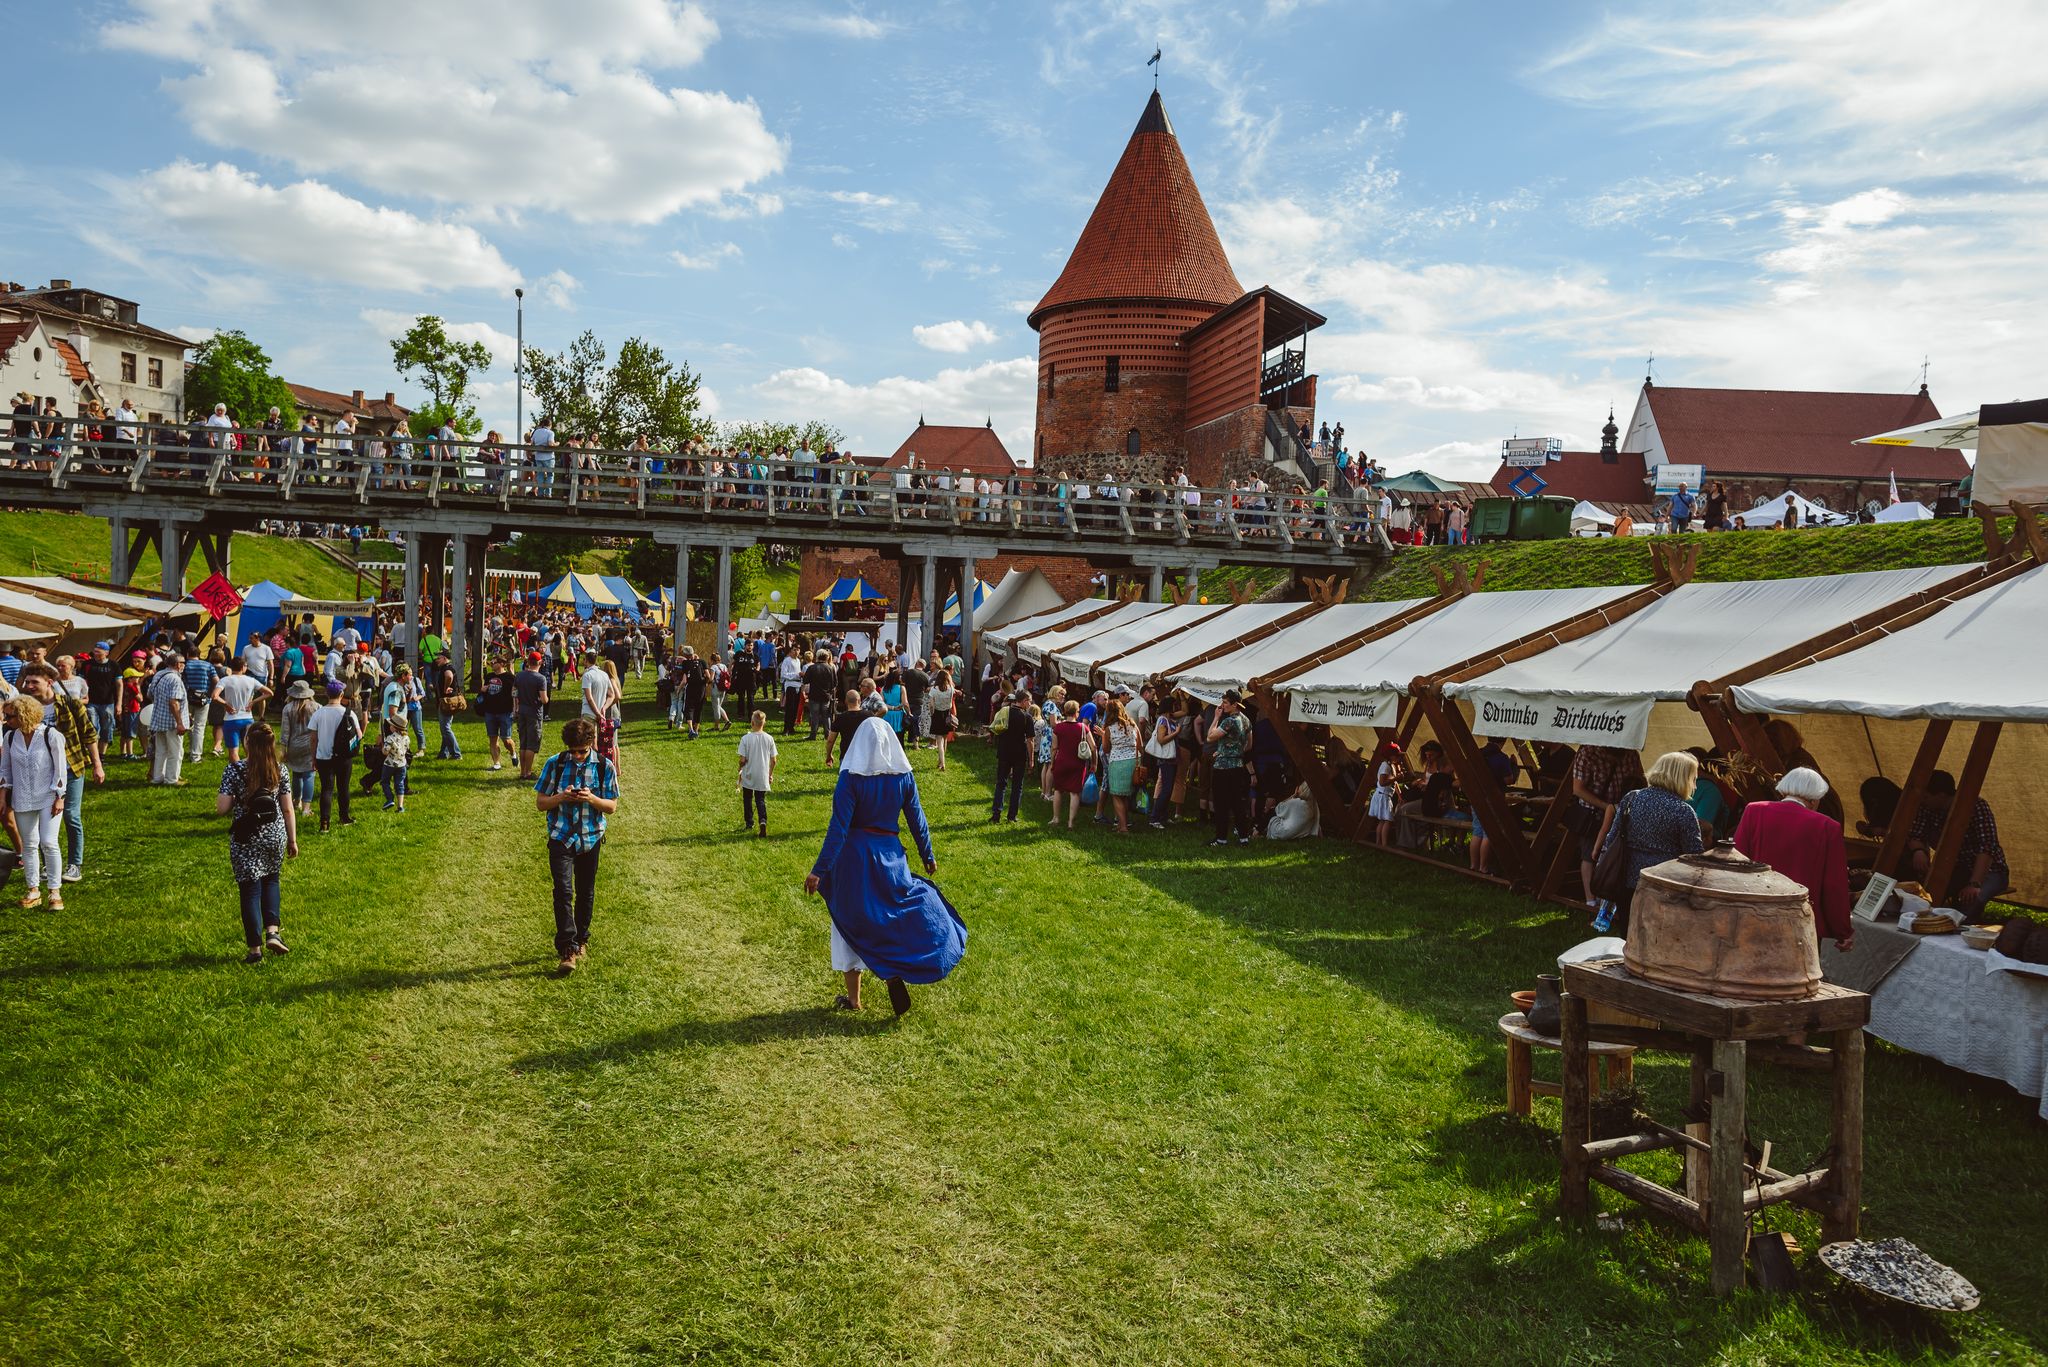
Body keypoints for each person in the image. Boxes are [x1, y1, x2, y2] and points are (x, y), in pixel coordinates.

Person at [804, 716, 966, 1017]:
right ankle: (893, 965)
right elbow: (917, 819)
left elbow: (838, 829)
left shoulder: (851, 779)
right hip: (890, 858)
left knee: (849, 922)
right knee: (890, 915)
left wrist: (819, 869)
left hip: (854, 860)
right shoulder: (903, 777)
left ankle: (854, 998)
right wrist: (927, 855)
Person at [1733, 767, 1855, 950]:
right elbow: (1834, 885)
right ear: (1814, 800)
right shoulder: (1828, 827)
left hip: (1753, 912)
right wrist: (1843, 931)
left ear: (1784, 789)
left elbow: (1736, 862)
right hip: (1800, 920)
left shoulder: (1754, 811)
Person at [534, 717, 620, 974]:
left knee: (585, 891)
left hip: (590, 837)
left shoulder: (604, 766)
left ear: (591, 744)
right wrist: (561, 797)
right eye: (573, 752)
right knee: (562, 890)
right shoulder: (556, 764)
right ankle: (567, 948)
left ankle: (582, 938)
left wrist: (591, 798)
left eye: (582, 751)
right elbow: (540, 803)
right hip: (561, 835)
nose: (578, 756)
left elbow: (612, 807)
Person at [1592, 752, 1706, 933]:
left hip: (1626, 879)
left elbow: (1612, 837)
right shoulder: (1683, 811)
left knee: (1628, 936)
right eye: (1693, 778)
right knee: (1657, 938)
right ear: (1682, 778)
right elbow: (1694, 856)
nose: (1694, 784)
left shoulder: (1632, 798)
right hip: (1664, 886)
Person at [214, 722, 299, 963]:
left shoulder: (235, 770)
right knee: (271, 879)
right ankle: (273, 932)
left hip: (246, 836)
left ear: (247, 743)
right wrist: (292, 840)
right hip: (274, 833)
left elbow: (222, 808)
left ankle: (254, 950)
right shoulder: (279, 770)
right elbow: (288, 808)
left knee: (250, 890)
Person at [19, 664, 101, 884]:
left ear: (49, 682)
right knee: (41, 817)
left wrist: (97, 764)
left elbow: (89, 734)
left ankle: (75, 864)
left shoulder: (69, 703)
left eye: (34, 682)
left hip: (71, 767)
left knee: (70, 815)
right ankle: (48, 864)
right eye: (27, 682)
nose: (29, 686)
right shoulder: (26, 707)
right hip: (39, 772)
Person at [1902, 769, 2009, 922]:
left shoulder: (1977, 806)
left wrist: (1974, 883)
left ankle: (1957, 932)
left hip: (1990, 871)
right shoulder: (1928, 808)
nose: (1922, 800)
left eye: (1926, 796)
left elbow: (1987, 847)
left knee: (1973, 899)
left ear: (1941, 795)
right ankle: (1923, 924)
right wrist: (1918, 851)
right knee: (1925, 894)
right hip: (1956, 868)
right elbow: (1915, 834)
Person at [0, 693, 68, 909]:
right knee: (28, 845)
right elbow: (6, 769)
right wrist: (3, 796)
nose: (5, 720)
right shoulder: (11, 737)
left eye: (9, 716)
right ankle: (33, 890)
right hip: (22, 798)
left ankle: (54, 892)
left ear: (23, 715)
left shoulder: (51, 735)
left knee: (49, 842)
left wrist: (60, 796)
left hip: (48, 797)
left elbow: (60, 768)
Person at [1571, 743, 1645, 909]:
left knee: (1617, 856)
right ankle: (1591, 901)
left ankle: (1610, 898)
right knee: (1589, 855)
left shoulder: (1630, 753)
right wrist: (1607, 807)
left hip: (1621, 811)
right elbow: (1578, 789)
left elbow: (1640, 779)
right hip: (1593, 813)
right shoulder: (1587, 752)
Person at [308, 679, 359, 832]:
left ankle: (324, 823)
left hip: (323, 756)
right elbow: (359, 734)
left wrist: (313, 757)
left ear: (326, 694)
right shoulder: (348, 713)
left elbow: (313, 738)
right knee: (343, 788)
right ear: (342, 694)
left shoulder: (319, 713)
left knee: (326, 789)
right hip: (344, 757)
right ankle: (344, 817)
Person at [1205, 690, 1254, 847]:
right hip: (1238, 766)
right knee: (1238, 803)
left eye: (1225, 703)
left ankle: (1221, 839)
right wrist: (1231, 750)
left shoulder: (1229, 721)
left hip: (1223, 768)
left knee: (1221, 804)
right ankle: (1243, 838)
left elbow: (1210, 736)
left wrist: (1216, 717)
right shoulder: (1246, 720)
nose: (1222, 705)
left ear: (1234, 705)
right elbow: (1249, 745)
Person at [210, 657, 269, 764]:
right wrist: (253, 702)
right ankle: (253, 772)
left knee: (233, 752)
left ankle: (237, 774)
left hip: (231, 719)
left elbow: (214, 696)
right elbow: (269, 692)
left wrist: (226, 704)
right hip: (248, 719)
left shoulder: (225, 680)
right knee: (250, 750)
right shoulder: (251, 680)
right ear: (243, 667)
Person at [987, 688, 1033, 823]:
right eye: (1029, 701)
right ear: (1024, 701)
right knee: (1017, 786)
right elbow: (1030, 740)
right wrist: (1031, 760)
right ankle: (1012, 816)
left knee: (1001, 784)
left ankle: (996, 814)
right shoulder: (1026, 717)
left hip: (1004, 751)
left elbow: (995, 728)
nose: (1030, 704)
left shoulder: (1004, 712)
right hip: (1019, 754)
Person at [147, 653, 190, 786]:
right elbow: (174, 702)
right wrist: (180, 723)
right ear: (178, 664)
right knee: (176, 752)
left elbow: (149, 694)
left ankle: (157, 777)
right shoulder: (175, 679)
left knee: (161, 750)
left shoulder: (159, 675)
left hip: (159, 719)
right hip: (172, 722)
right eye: (183, 662)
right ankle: (172, 779)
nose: (184, 665)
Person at [1048, 699, 1091, 830]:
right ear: (1076, 713)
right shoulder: (1083, 728)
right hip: (1077, 763)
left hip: (1061, 762)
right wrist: (1094, 763)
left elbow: (1054, 748)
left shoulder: (1058, 727)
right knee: (1075, 793)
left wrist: (1052, 763)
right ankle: (1071, 822)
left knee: (1058, 791)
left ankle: (1055, 818)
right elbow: (1093, 747)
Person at [1101, 698, 1141, 834]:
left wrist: (1103, 736)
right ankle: (1123, 823)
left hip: (1117, 762)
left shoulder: (1109, 729)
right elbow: (1140, 745)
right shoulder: (1132, 724)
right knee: (1126, 795)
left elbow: (1106, 749)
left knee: (1117, 795)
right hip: (1134, 761)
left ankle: (1123, 827)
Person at [279, 679, 319, 808]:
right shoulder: (316, 707)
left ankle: (297, 801)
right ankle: (306, 807)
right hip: (312, 745)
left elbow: (285, 731)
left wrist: (283, 749)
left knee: (296, 774)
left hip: (294, 745)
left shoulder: (288, 708)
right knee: (309, 774)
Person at [737, 710, 778, 836]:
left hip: (749, 773)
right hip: (762, 774)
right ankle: (763, 820)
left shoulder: (745, 739)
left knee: (747, 798)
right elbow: (774, 760)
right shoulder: (769, 738)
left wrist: (740, 767)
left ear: (752, 722)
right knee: (760, 799)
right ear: (764, 723)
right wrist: (770, 774)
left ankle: (749, 822)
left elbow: (742, 759)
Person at [513, 651, 550, 779]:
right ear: (540, 662)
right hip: (534, 713)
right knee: (532, 744)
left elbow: (514, 693)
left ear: (528, 662)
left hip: (521, 711)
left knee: (523, 742)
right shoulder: (540, 678)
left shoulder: (519, 676)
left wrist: (515, 708)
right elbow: (544, 699)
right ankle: (528, 772)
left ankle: (522, 771)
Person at [477, 654, 517, 771]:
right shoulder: (489, 676)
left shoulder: (510, 678)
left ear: (502, 664)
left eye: (495, 662)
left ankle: (513, 753)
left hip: (505, 712)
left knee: (506, 739)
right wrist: (482, 690)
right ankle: (497, 763)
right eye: (492, 662)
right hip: (490, 711)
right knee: (493, 738)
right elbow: (484, 692)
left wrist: (515, 709)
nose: (492, 664)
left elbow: (515, 695)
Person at [927, 669, 959, 772]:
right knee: (945, 739)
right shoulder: (951, 689)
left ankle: (943, 763)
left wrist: (931, 713)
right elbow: (951, 702)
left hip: (937, 714)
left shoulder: (934, 690)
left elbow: (931, 705)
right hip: (947, 714)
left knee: (939, 741)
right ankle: (940, 761)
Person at [380, 717, 411, 812]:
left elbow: (385, 752)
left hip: (389, 764)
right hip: (402, 764)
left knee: (385, 782)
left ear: (395, 728)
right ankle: (400, 806)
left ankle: (390, 799)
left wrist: (383, 746)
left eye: (391, 725)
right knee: (400, 784)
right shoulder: (406, 738)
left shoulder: (390, 738)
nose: (390, 726)